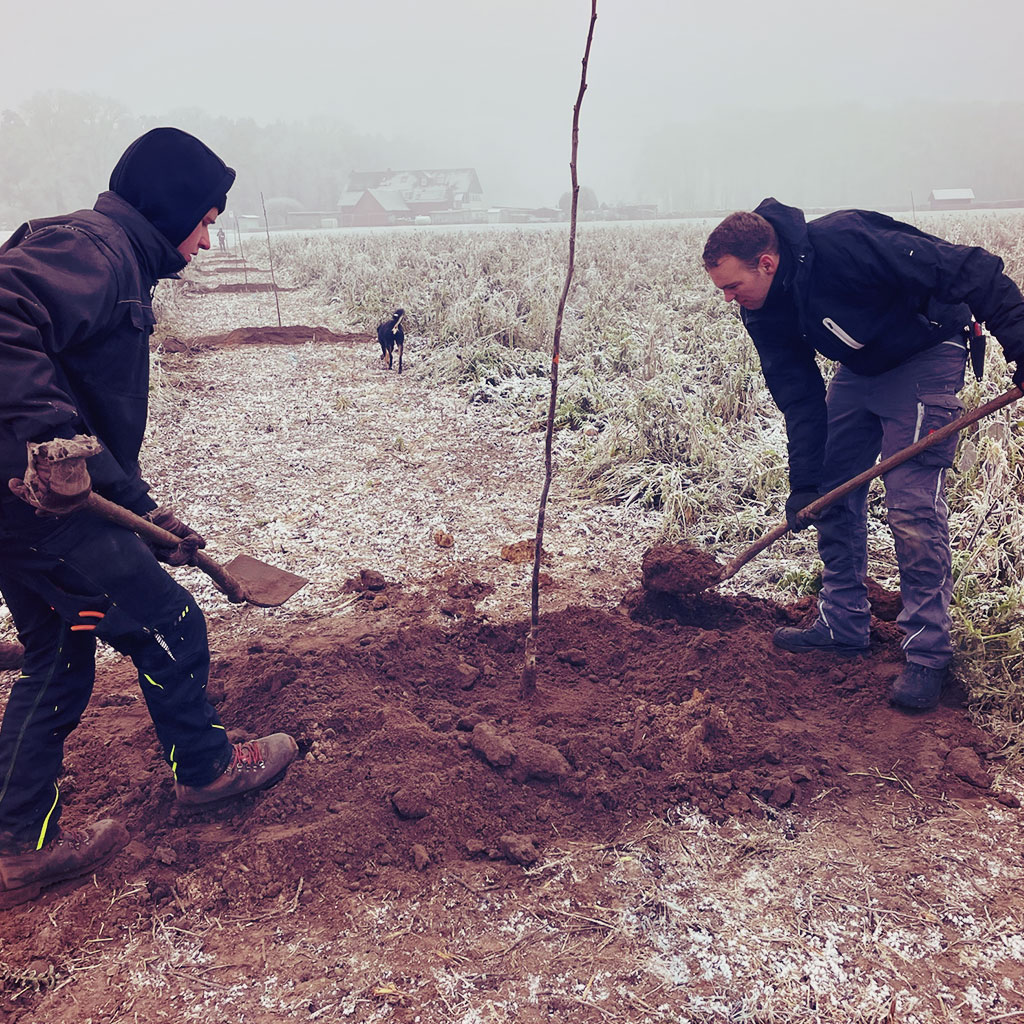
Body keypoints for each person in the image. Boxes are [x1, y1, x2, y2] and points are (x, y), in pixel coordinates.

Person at [0, 128, 299, 908]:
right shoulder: (94, 250)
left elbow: (83, 425)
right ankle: (205, 770)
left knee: (57, 660)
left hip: (21, 504)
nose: (206, 240)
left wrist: (142, 511)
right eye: (203, 221)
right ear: (168, 210)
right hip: (39, 513)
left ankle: (17, 847)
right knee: (170, 625)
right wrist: (48, 436)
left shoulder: (113, 259)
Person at [702, 199, 1024, 711]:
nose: (728, 298)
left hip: (927, 353)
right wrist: (806, 483)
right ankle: (843, 623)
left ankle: (927, 652)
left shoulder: (845, 243)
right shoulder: (760, 307)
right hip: (861, 370)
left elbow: (969, 270)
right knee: (830, 492)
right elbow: (799, 394)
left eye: (731, 286)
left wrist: (1022, 342)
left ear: (767, 262)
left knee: (912, 506)